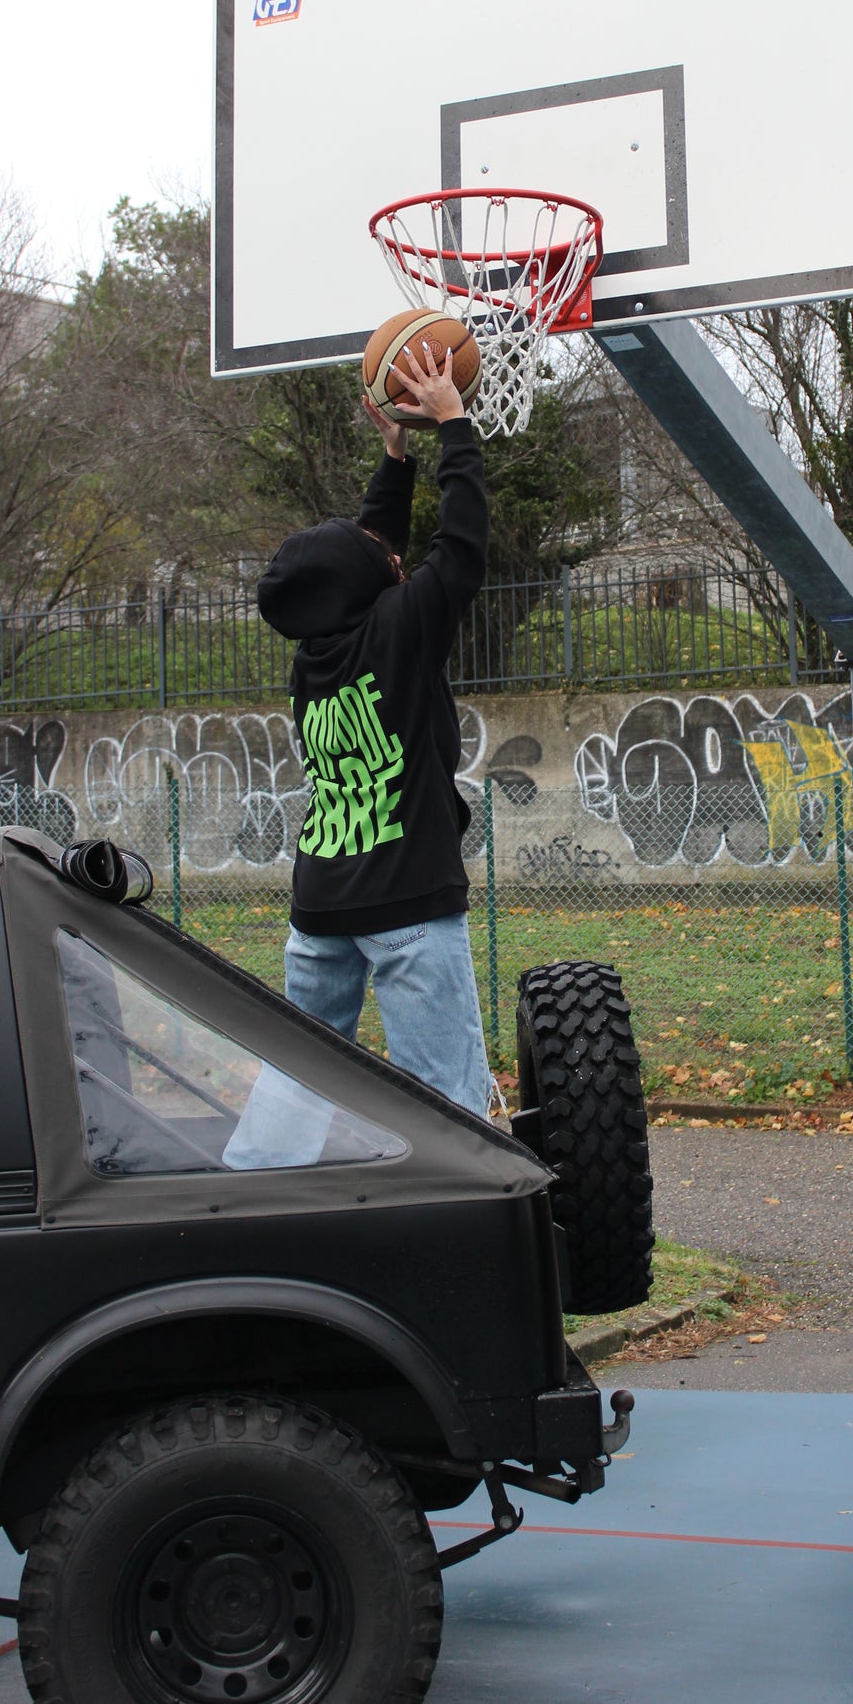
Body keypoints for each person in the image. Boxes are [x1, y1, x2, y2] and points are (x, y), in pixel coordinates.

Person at [238, 340, 492, 1130]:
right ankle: (464, 1232)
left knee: (298, 1087)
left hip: (320, 902)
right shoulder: (401, 629)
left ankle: (265, 1195)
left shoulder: (313, 657)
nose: (392, 554)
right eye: (384, 557)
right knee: (445, 1105)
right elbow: (462, 547)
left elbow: (365, 553)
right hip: (406, 900)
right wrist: (453, 429)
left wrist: (394, 455)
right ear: (374, 583)